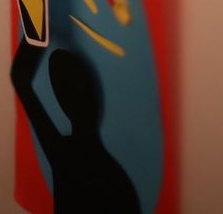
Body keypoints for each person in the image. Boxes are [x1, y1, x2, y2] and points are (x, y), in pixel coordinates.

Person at [11, 39, 141, 213]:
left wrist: (36, 35)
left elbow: (20, 79)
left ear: (62, 104)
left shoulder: (63, 154)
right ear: (94, 101)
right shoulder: (116, 178)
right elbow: (20, 80)